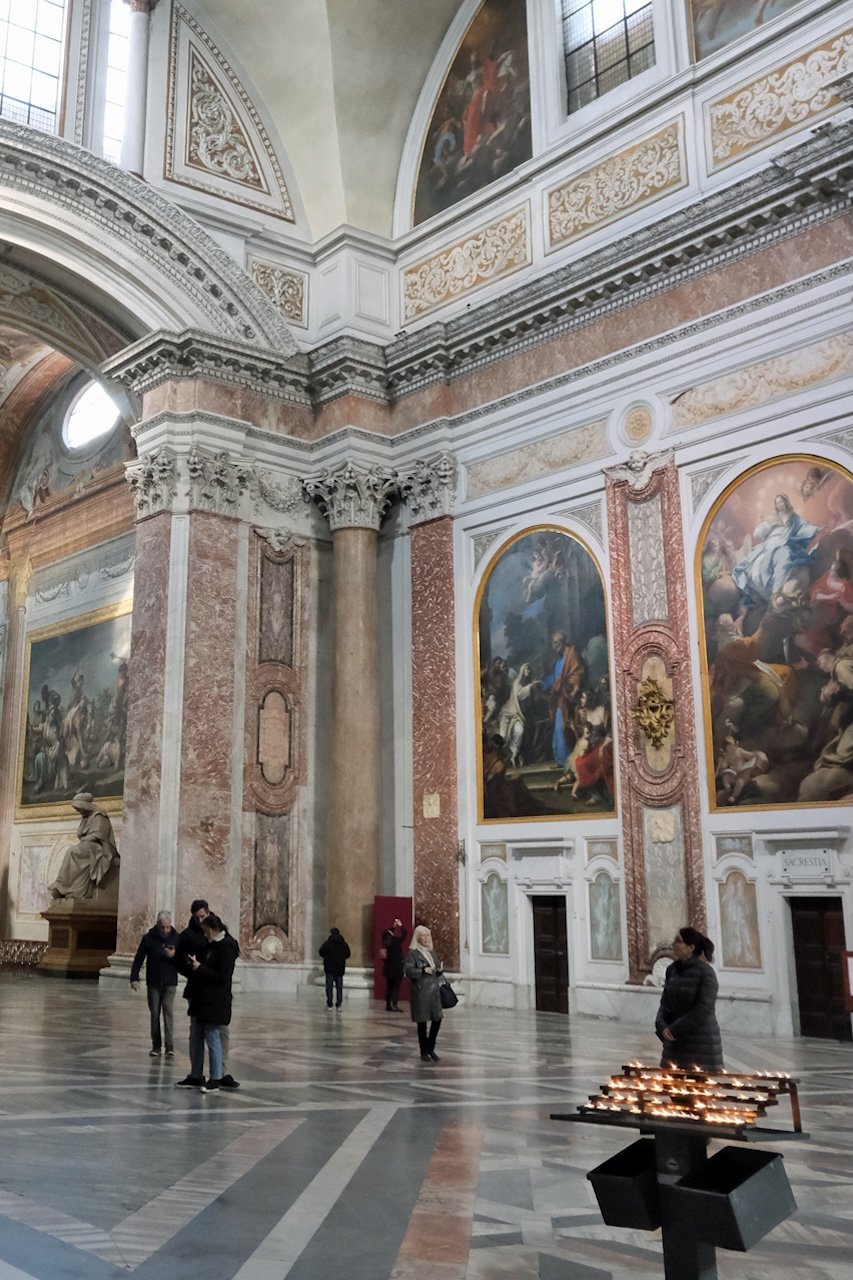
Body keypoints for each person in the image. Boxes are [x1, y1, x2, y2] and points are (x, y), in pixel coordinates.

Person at [176, 899, 240, 1088]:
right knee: (197, 1033)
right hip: (199, 993)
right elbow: (181, 960)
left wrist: (200, 968)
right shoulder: (190, 936)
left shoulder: (224, 943)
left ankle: (219, 1074)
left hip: (215, 997)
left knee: (217, 1035)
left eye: (203, 917)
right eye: (197, 918)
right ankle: (197, 1074)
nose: (200, 922)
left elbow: (223, 973)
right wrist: (191, 967)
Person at [655, 927, 723, 1071]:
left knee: (697, 1083)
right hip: (674, 1045)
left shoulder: (706, 973)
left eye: (678, 941)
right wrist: (661, 1023)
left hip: (700, 1045)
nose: (673, 944)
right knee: (672, 1083)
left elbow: (703, 1008)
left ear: (691, 947)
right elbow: (665, 1001)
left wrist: (675, 1028)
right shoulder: (672, 970)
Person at [48, 792, 119, 899]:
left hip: (100, 848)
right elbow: (80, 834)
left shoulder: (99, 816)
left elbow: (99, 835)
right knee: (72, 852)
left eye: (78, 808)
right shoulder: (87, 817)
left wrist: (86, 838)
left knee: (72, 852)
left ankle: (66, 887)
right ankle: (64, 886)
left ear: (84, 806)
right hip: (89, 845)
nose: (77, 811)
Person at [130, 910, 179, 1057]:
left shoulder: (177, 938)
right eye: (162, 927)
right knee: (155, 1013)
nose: (165, 930)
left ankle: (169, 1046)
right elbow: (139, 958)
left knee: (168, 1011)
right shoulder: (148, 938)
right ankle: (156, 1045)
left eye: (167, 927)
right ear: (157, 924)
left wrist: (174, 956)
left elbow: (184, 959)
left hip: (170, 981)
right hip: (154, 981)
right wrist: (134, 977)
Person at [404, 925, 444, 1063]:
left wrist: (439, 971)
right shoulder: (413, 954)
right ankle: (424, 1051)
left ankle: (430, 1047)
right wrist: (422, 970)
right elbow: (408, 971)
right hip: (421, 992)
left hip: (434, 991)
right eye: (423, 935)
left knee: (437, 1020)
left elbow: (435, 969)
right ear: (417, 937)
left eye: (428, 935)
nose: (426, 938)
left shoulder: (431, 952)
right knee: (422, 1023)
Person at [319, 927, 350, 1010]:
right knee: (339, 988)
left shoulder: (328, 943)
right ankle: (339, 1005)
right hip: (340, 969)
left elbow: (321, 952)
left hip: (329, 968)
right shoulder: (344, 944)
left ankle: (329, 1005)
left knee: (329, 987)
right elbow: (348, 954)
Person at [381, 918, 407, 1011]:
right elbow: (404, 934)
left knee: (389, 988)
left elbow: (386, 933)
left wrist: (393, 927)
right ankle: (394, 1005)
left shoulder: (385, 943)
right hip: (397, 969)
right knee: (396, 988)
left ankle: (388, 1005)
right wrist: (400, 926)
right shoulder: (395, 942)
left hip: (388, 969)